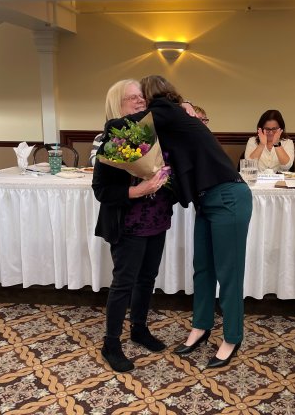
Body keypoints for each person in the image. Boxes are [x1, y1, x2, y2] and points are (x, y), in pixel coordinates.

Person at [110, 75, 253, 369]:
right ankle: (200, 326)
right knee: (203, 269)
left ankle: (232, 335)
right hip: (207, 200)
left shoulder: (165, 112)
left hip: (228, 196)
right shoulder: (173, 115)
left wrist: (118, 115)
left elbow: (124, 127)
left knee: (228, 273)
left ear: (152, 97)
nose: (139, 103)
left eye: (141, 97)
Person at [92, 79, 173, 373]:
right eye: (131, 98)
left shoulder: (152, 134)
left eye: (141, 97)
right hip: (129, 222)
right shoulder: (114, 138)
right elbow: (101, 190)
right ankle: (111, 342)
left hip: (157, 217)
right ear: (117, 104)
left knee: (147, 278)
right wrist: (137, 190)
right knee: (124, 283)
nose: (140, 101)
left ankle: (139, 328)